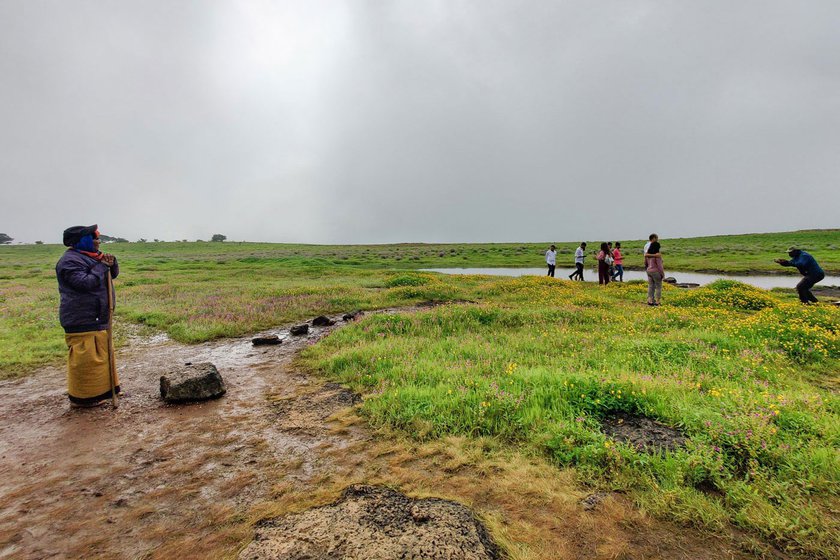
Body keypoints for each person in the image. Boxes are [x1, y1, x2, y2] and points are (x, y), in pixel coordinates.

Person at [55, 225, 121, 407]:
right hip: (81, 317)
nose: (98, 241)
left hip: (98, 316)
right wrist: (101, 266)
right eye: (94, 239)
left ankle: (101, 392)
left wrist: (111, 263)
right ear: (82, 241)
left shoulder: (91, 258)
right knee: (86, 358)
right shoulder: (69, 262)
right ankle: (83, 398)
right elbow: (84, 283)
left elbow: (111, 275)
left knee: (101, 354)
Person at [645, 241, 665, 305]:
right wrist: (663, 274)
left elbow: (645, 263)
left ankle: (650, 300)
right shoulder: (657, 255)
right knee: (658, 287)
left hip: (649, 271)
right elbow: (660, 266)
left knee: (651, 286)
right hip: (656, 271)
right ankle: (657, 301)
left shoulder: (648, 255)